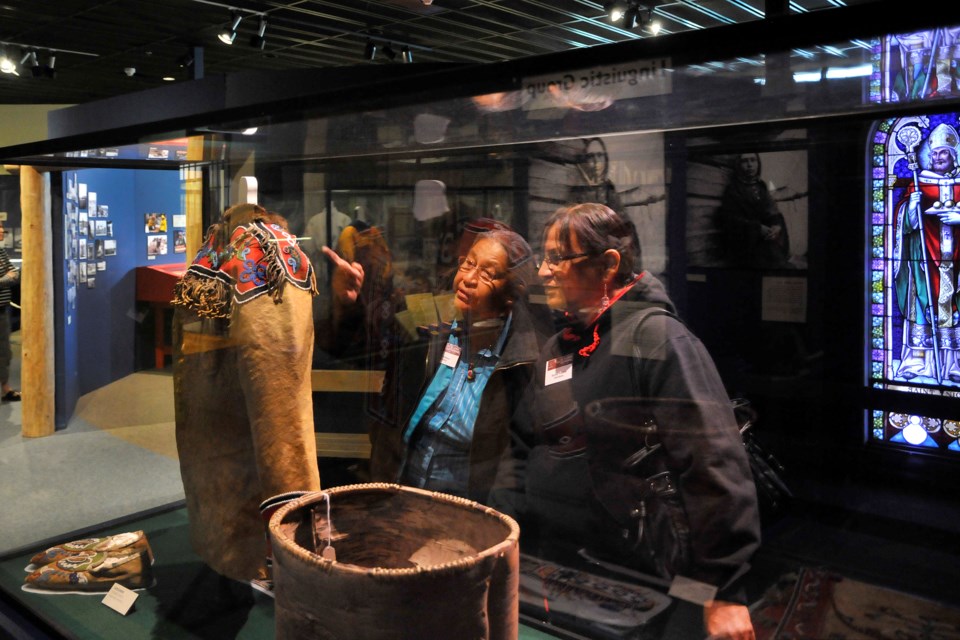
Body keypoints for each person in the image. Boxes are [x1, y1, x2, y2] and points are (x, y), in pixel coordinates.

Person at [498, 203, 761, 639]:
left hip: (643, 578)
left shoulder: (658, 340)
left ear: (608, 265)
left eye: (557, 259)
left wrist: (724, 590)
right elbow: (522, 443)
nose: (543, 272)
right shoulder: (560, 345)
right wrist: (507, 530)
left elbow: (713, 463)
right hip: (560, 567)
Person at [323, 226, 544, 503]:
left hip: (464, 517)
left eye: (487, 274)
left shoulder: (520, 360)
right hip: (397, 497)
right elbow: (360, 352)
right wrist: (348, 305)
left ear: (511, 294)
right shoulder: (427, 321)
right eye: (468, 263)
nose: (468, 279)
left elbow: (516, 465)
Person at [894, 122, 960, 382]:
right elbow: (905, 224)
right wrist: (911, 207)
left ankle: (954, 362)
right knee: (921, 306)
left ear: (953, 156)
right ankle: (919, 363)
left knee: (953, 307)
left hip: (955, 262)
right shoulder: (918, 182)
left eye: (943, 153)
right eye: (934, 153)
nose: (937, 158)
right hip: (923, 261)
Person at [718, 152, 792, 269]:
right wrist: (756, 228)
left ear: (758, 164)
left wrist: (776, 226)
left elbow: (771, 209)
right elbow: (729, 219)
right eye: (745, 161)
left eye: (753, 160)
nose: (749, 165)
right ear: (738, 165)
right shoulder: (732, 190)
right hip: (745, 242)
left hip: (764, 238)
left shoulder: (761, 186)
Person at [0, 221, 20, 402]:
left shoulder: (1, 252)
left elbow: (15, 273)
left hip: (3, 309)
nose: (2, 231)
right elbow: (11, 275)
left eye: (2, 228)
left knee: (4, 352)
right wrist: (7, 277)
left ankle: (5, 389)